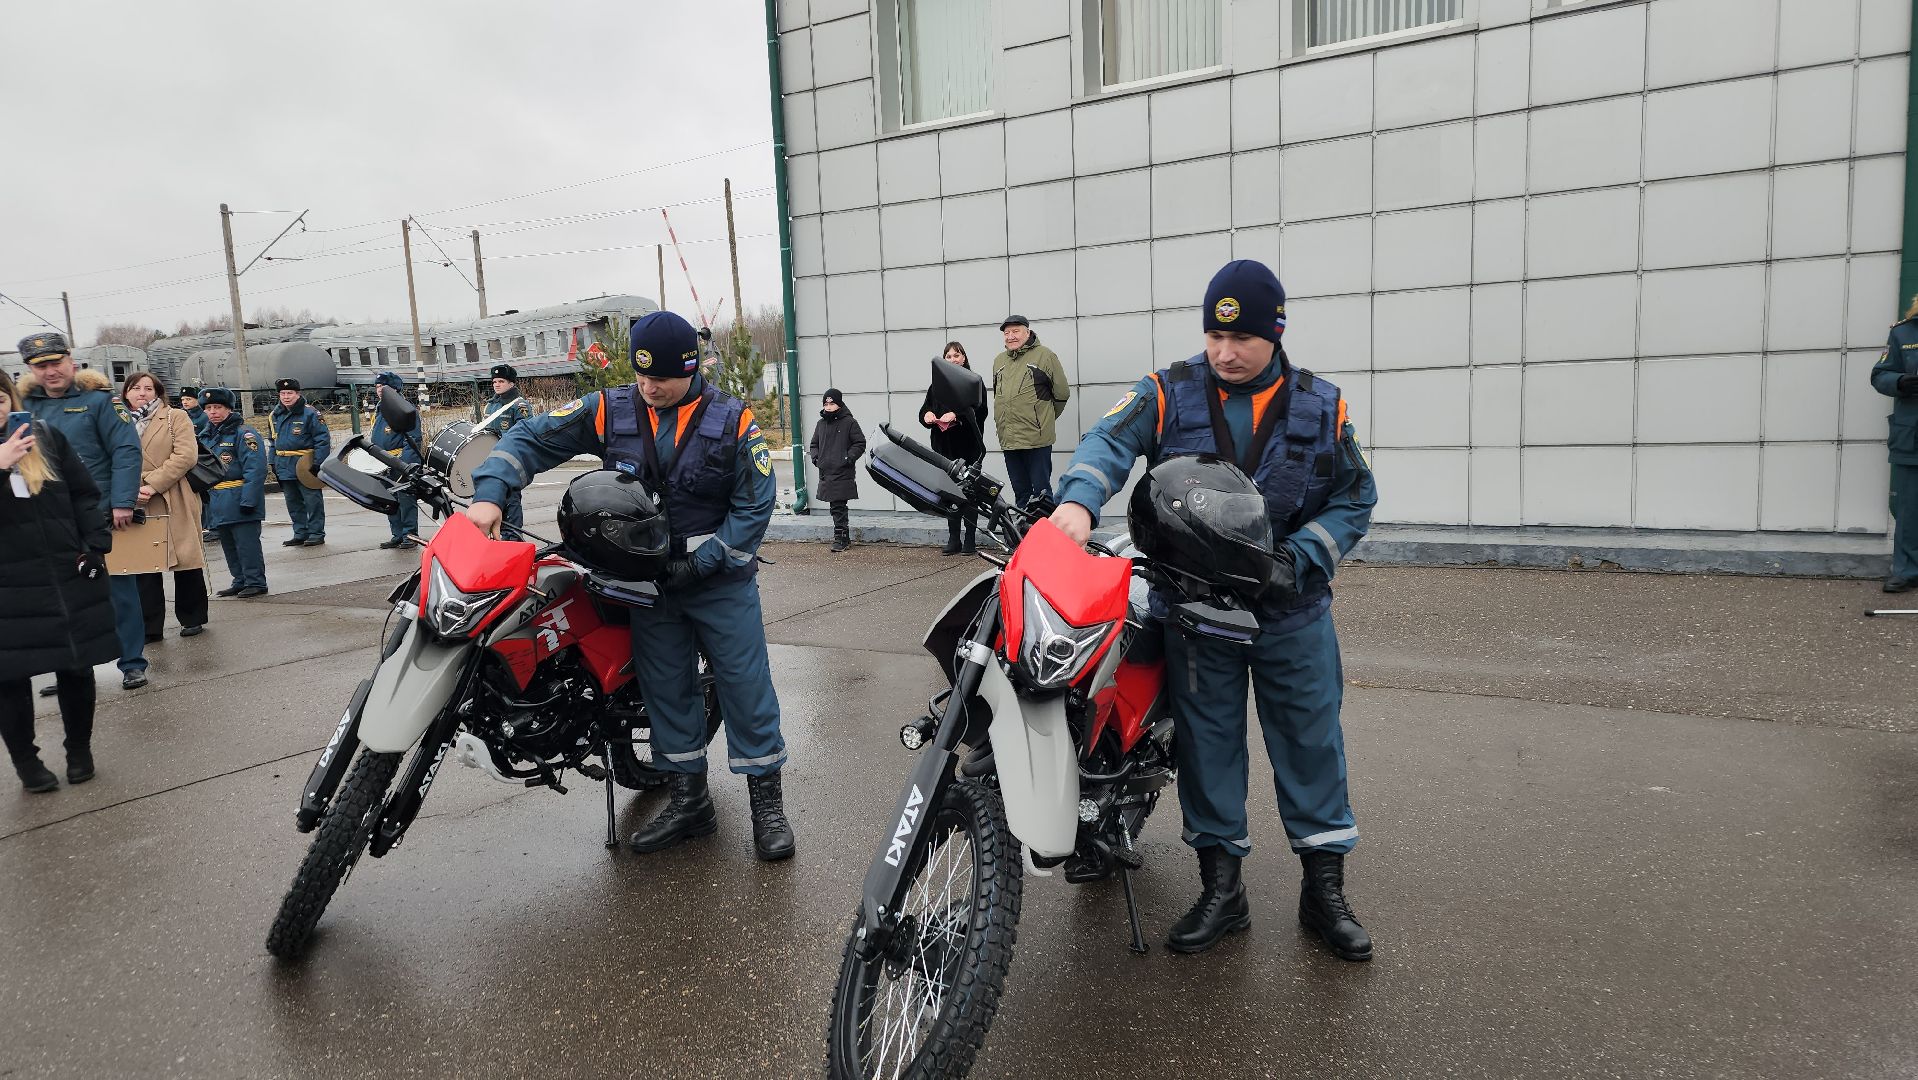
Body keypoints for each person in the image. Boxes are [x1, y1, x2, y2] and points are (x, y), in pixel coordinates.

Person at [1049, 260, 1379, 961]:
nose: (1225, 353)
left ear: (1276, 333)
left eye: (1243, 340)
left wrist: (1306, 556)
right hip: (1195, 614)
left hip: (1290, 613)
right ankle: (1221, 892)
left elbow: (1356, 498)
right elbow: (1108, 442)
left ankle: (1324, 894)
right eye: (1214, 336)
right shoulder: (1167, 392)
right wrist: (1079, 499)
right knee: (1207, 749)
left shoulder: (1323, 407)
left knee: (1312, 745)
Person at [467, 311, 794, 861]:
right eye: (640, 375)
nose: (648, 387)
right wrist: (491, 492)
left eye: (660, 378)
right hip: (645, 585)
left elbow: (754, 506)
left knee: (744, 685)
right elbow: (529, 437)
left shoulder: (733, 421)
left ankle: (767, 803)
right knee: (667, 689)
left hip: (718, 583)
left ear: (691, 368)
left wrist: (703, 563)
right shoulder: (610, 408)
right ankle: (691, 801)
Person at [0, 368, 115, 792]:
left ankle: (79, 750)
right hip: (9, 584)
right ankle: (27, 763)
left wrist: (94, 543)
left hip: (64, 573)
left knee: (76, 665)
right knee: (9, 677)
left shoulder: (44, 436)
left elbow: (83, 492)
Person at [16, 332, 150, 690]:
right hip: (45, 519)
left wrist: (123, 502)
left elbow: (126, 450)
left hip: (98, 511)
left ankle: (132, 662)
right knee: (57, 595)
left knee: (118, 590)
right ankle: (68, 667)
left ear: (70, 361)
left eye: (56, 362)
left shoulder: (100, 402)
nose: (50, 371)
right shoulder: (24, 407)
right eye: (40, 365)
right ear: (30, 369)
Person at [121, 372, 208, 641]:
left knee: (185, 558)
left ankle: (192, 617)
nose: (142, 393)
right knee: (143, 565)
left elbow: (186, 455)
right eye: (136, 388)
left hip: (174, 494)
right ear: (126, 393)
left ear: (158, 393)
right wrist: (129, 490)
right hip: (134, 498)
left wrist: (153, 484)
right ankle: (150, 626)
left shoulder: (175, 417)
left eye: (149, 388)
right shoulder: (118, 422)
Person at [990, 315, 1069, 509]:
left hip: (1037, 439)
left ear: (1027, 332)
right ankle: (1025, 535)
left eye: (1015, 331)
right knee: (1021, 491)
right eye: (1006, 333)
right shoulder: (999, 361)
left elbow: (1061, 394)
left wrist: (1043, 419)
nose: (1010, 336)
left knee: (1041, 492)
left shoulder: (1045, 356)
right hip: (1009, 439)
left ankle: (1046, 534)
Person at [199, 388, 269, 598]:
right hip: (217, 500)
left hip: (239, 497)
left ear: (229, 409)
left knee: (246, 544)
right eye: (209, 408)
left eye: (218, 407)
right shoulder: (206, 436)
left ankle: (255, 581)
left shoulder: (244, 434)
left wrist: (249, 500)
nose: (213, 412)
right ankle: (240, 580)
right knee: (229, 544)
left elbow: (255, 469)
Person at [921, 342, 989, 555]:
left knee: (968, 493)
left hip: (968, 447)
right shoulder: (936, 386)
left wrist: (957, 416)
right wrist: (927, 416)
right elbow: (925, 409)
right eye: (948, 356)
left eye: (956, 355)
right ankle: (953, 538)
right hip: (943, 449)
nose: (952, 359)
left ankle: (970, 538)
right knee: (948, 493)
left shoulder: (974, 382)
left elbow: (981, 412)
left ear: (964, 358)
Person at [1871, 301, 1918, 592]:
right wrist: (1900, 382)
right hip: (1912, 436)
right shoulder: (1903, 334)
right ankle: (1907, 570)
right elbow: (1879, 375)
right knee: (1910, 508)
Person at [268, 377, 330, 547]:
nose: (286, 396)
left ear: (297, 394)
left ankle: (316, 533)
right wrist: (272, 461)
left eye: (290, 393)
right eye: (282, 393)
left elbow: (322, 440)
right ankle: (300, 532)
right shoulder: (274, 415)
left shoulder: (310, 413)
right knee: (293, 501)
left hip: (305, 463)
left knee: (312, 500)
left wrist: (318, 463)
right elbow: (273, 440)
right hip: (284, 464)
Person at [479, 364, 534, 539]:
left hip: (511, 459)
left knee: (511, 500)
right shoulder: (490, 406)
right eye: (494, 381)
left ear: (511, 383)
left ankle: (513, 537)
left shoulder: (519, 406)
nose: (496, 384)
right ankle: (498, 537)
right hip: (492, 459)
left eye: (501, 381)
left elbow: (525, 434)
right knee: (495, 498)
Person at [808, 388, 866, 553]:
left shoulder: (849, 422)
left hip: (842, 471)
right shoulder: (821, 424)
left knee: (839, 505)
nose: (828, 406)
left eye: (832, 403)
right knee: (835, 506)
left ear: (839, 403)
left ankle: (841, 538)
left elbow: (859, 443)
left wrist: (848, 458)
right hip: (826, 471)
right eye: (826, 403)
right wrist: (816, 458)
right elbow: (814, 445)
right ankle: (843, 537)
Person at [369, 371, 422, 550]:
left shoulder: (405, 410)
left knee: (405, 499)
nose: (379, 390)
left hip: (399, 461)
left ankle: (410, 535)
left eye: (383, 387)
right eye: (377, 387)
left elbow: (413, 441)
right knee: (389, 500)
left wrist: (405, 466)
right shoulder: (379, 409)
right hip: (383, 461)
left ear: (394, 389)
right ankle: (397, 534)